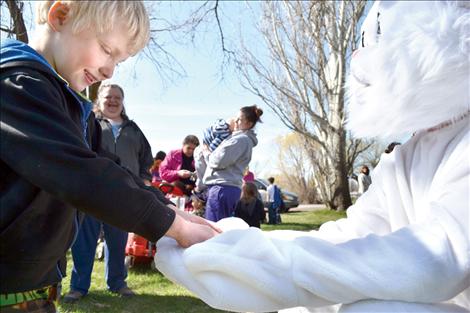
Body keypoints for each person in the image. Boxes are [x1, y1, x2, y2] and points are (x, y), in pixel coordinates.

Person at [154, 2, 470, 313]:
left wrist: (255, 262)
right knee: (307, 305)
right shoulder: (406, 157)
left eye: (376, 35)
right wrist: (233, 244)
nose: (359, 58)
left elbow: (435, 259)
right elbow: (352, 236)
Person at [0, 2, 218, 311]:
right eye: (106, 49)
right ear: (60, 16)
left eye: (119, 60)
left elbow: (112, 170)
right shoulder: (16, 86)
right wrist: (176, 229)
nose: (109, 70)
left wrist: (173, 209)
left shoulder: (74, 109)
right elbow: (82, 176)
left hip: (37, 286)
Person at [65, 83, 153, 302]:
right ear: (99, 100)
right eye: (108, 97)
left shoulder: (133, 129)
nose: (113, 101)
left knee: (117, 241)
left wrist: (143, 179)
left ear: (122, 102)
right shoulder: (88, 123)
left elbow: (146, 158)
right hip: (91, 191)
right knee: (84, 241)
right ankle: (78, 287)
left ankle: (117, 283)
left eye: (117, 98)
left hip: (123, 194)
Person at [203, 105, 263, 222]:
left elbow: (217, 161)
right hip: (226, 188)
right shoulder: (241, 139)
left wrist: (206, 152)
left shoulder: (240, 140)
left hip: (222, 188)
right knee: (220, 229)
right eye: (236, 118)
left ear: (249, 124)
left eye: (239, 119)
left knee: (215, 230)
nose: (235, 121)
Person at [194, 118, 235, 193]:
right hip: (204, 151)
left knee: (202, 173)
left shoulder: (218, 126)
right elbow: (211, 152)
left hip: (202, 149)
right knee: (203, 173)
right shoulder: (224, 135)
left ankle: (200, 188)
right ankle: (200, 188)